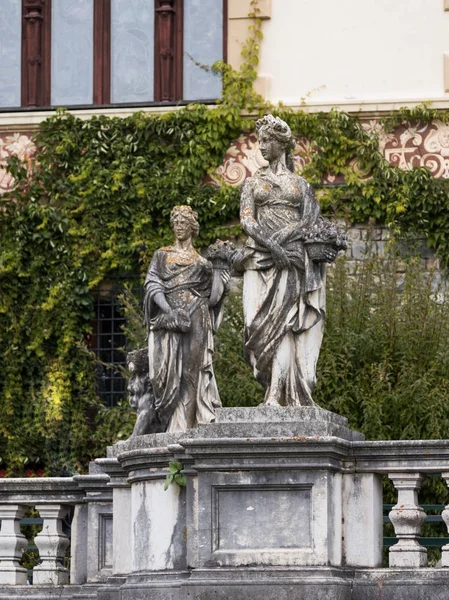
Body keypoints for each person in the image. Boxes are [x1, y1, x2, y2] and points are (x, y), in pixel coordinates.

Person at [240, 115, 342, 407]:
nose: (261, 146)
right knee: (254, 322)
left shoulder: (300, 185)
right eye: (259, 141)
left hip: (292, 261)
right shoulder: (252, 183)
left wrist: (285, 237)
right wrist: (272, 244)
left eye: (266, 140)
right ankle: (272, 387)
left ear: (281, 143)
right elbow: (247, 221)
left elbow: (310, 221)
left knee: (286, 324)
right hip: (261, 259)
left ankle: (277, 393)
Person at [144, 205, 229, 432]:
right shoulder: (162, 255)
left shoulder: (202, 263)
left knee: (192, 372)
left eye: (183, 223)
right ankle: (171, 422)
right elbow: (153, 283)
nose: (179, 227)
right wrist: (168, 310)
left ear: (192, 227)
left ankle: (188, 426)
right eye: (176, 223)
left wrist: (221, 274)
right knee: (163, 374)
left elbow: (213, 299)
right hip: (170, 320)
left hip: (196, 317)